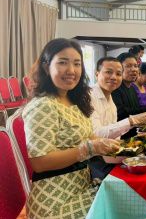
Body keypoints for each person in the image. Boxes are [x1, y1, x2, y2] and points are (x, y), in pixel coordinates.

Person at [22, 38, 120, 218]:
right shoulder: (43, 105)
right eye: (62, 63)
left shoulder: (73, 101)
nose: (71, 70)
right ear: (46, 67)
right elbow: (40, 162)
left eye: (77, 64)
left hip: (82, 185)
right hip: (55, 198)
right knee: (120, 206)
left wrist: (116, 146)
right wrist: (90, 148)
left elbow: (90, 137)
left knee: (126, 194)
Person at [90, 57, 146, 179]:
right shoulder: (89, 97)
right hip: (92, 161)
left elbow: (115, 136)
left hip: (108, 156)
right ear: (97, 73)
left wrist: (133, 144)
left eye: (118, 74)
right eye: (108, 72)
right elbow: (96, 134)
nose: (114, 77)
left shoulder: (110, 100)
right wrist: (131, 121)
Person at [112, 53, 146, 139]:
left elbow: (136, 110)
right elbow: (121, 114)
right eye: (128, 66)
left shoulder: (132, 88)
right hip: (121, 139)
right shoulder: (115, 88)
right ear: (119, 68)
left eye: (135, 66)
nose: (133, 70)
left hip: (135, 135)